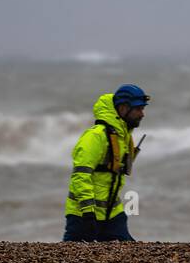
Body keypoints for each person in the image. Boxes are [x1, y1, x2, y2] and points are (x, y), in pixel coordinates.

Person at [63, 85, 148, 242]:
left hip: (113, 215)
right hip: (83, 216)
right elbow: (81, 176)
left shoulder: (123, 137)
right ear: (123, 108)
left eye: (142, 109)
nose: (142, 114)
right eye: (138, 109)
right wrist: (88, 213)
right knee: (69, 261)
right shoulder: (95, 137)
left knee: (131, 256)